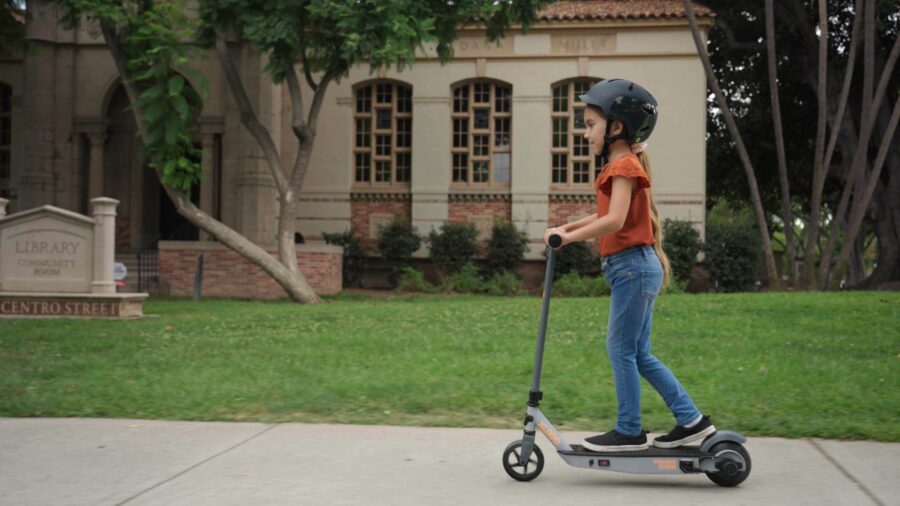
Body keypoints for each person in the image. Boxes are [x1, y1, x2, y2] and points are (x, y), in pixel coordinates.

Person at [543, 79, 715, 452]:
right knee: (638, 352)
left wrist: (570, 239)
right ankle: (692, 420)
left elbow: (615, 221)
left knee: (621, 349)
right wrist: (566, 228)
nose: (584, 132)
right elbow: (605, 213)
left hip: (632, 268)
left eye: (590, 124)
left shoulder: (624, 164)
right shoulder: (623, 164)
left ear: (616, 127)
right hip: (635, 267)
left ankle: (629, 430)